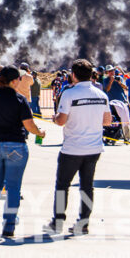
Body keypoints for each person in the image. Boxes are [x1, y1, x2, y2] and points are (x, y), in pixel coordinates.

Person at [0, 65, 46, 239]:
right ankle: (9, 224)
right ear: (14, 81)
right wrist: (39, 132)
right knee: (13, 187)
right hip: (16, 145)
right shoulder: (20, 100)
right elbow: (29, 124)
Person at [42, 59, 112, 236]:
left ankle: (58, 221)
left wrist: (55, 118)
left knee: (62, 186)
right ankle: (84, 222)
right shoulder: (101, 95)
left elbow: (61, 121)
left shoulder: (69, 94)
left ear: (73, 75)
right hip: (94, 148)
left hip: (72, 148)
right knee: (87, 186)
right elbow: (107, 121)